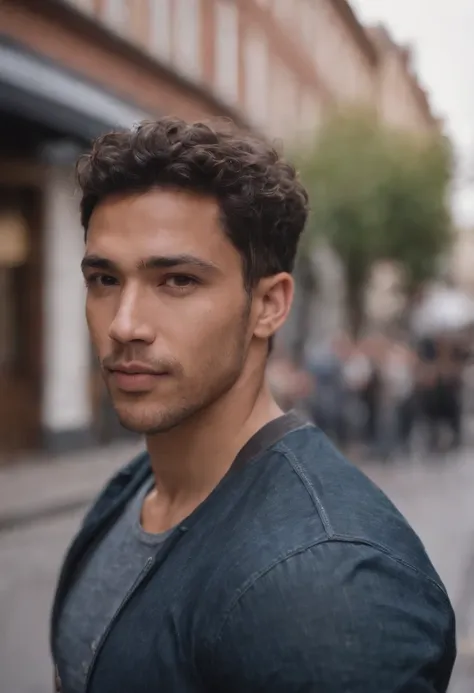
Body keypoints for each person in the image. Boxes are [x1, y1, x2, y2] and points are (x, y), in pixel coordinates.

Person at [51, 117, 455, 693]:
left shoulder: (323, 583)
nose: (125, 324)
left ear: (269, 304)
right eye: (104, 279)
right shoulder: (132, 490)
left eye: (178, 281)